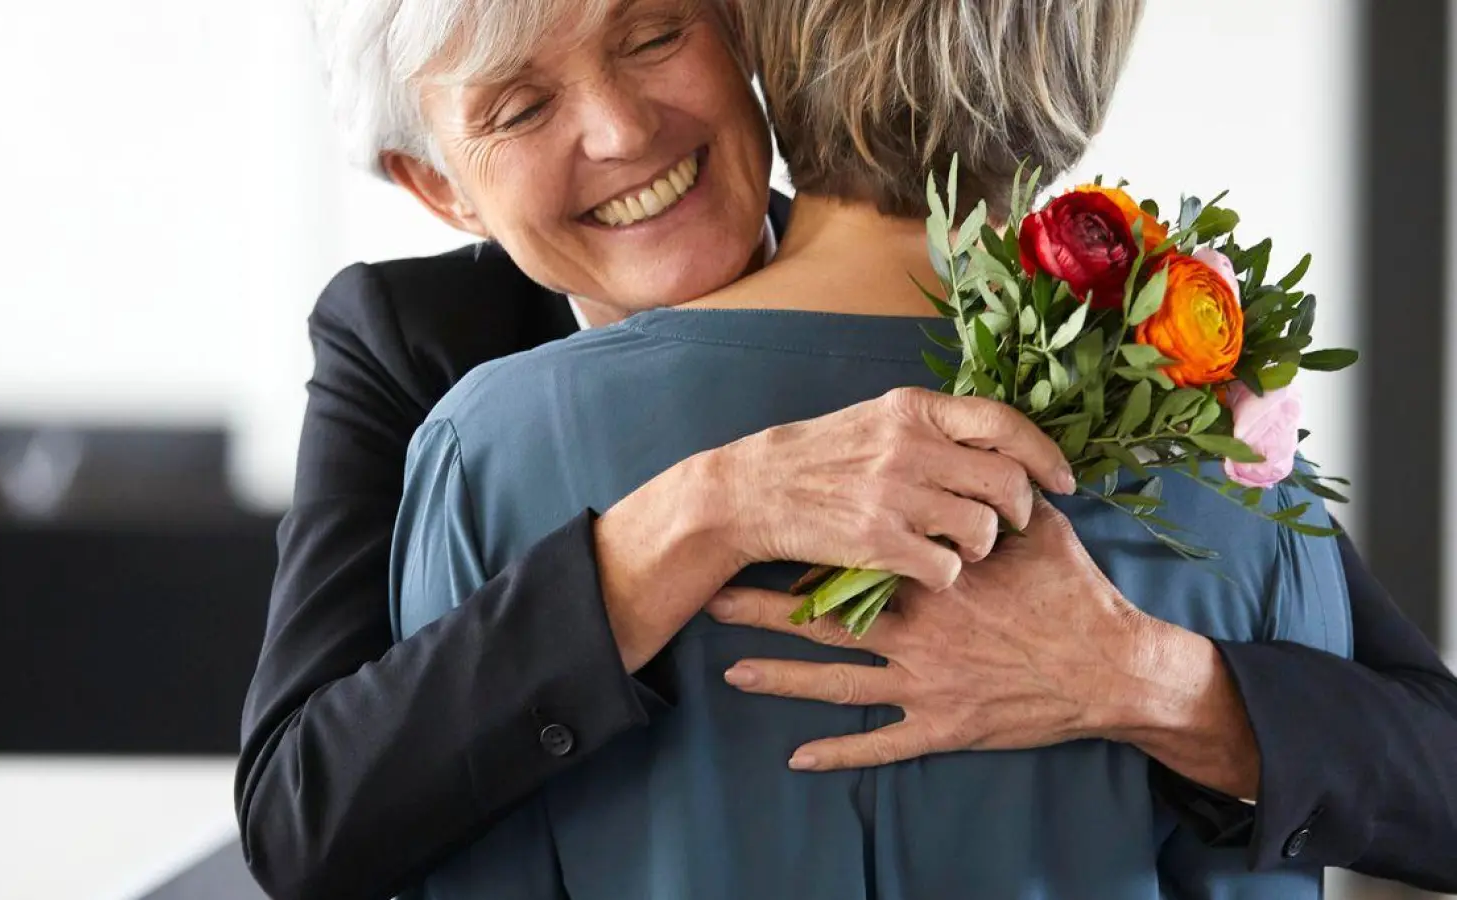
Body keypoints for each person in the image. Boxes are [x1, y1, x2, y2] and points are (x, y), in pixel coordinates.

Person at [236, 0, 1457, 897]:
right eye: (522, 107)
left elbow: (1430, 767)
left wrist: (1142, 680)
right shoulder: (423, 366)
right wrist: (700, 514)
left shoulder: (1096, 354)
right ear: (435, 184)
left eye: (653, 34)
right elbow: (308, 818)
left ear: (744, 34)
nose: (620, 130)